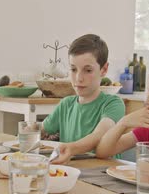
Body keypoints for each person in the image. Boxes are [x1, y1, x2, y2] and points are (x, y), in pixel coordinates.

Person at [43, 34, 125, 164]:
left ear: (104, 69)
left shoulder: (113, 104)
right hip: (71, 171)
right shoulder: (66, 104)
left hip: (103, 175)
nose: (79, 78)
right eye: (73, 69)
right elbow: (41, 130)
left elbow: (98, 136)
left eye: (87, 70)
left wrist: (70, 149)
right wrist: (26, 131)